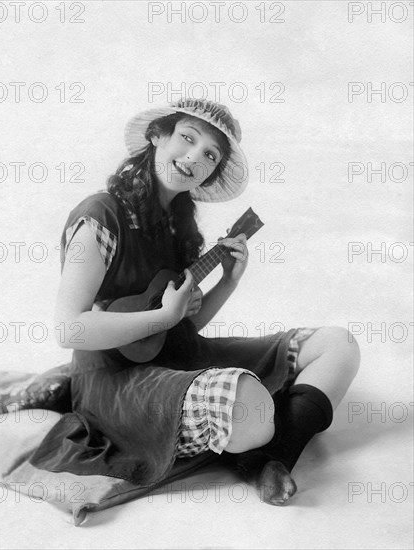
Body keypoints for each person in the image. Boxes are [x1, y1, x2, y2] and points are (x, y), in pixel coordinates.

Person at [28, 98, 360, 505]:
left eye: (209, 155)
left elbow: (178, 329)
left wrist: (227, 284)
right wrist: (165, 315)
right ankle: (264, 430)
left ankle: (272, 457)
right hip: (113, 384)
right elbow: (69, 328)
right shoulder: (100, 217)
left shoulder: (178, 226)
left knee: (338, 345)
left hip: (175, 359)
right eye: (187, 138)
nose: (193, 157)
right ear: (157, 136)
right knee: (251, 407)